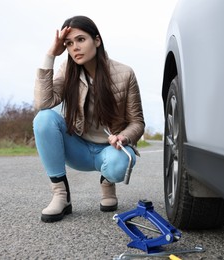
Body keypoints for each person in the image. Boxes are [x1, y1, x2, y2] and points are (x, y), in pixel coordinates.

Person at [33, 15, 145, 223]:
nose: (75, 47)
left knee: (119, 164)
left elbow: (137, 122)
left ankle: (107, 181)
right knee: (43, 119)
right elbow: (43, 102)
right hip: (79, 149)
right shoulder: (67, 71)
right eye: (68, 43)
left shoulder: (125, 73)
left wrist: (123, 137)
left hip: (110, 150)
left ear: (97, 40)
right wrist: (51, 54)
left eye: (81, 40)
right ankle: (61, 195)